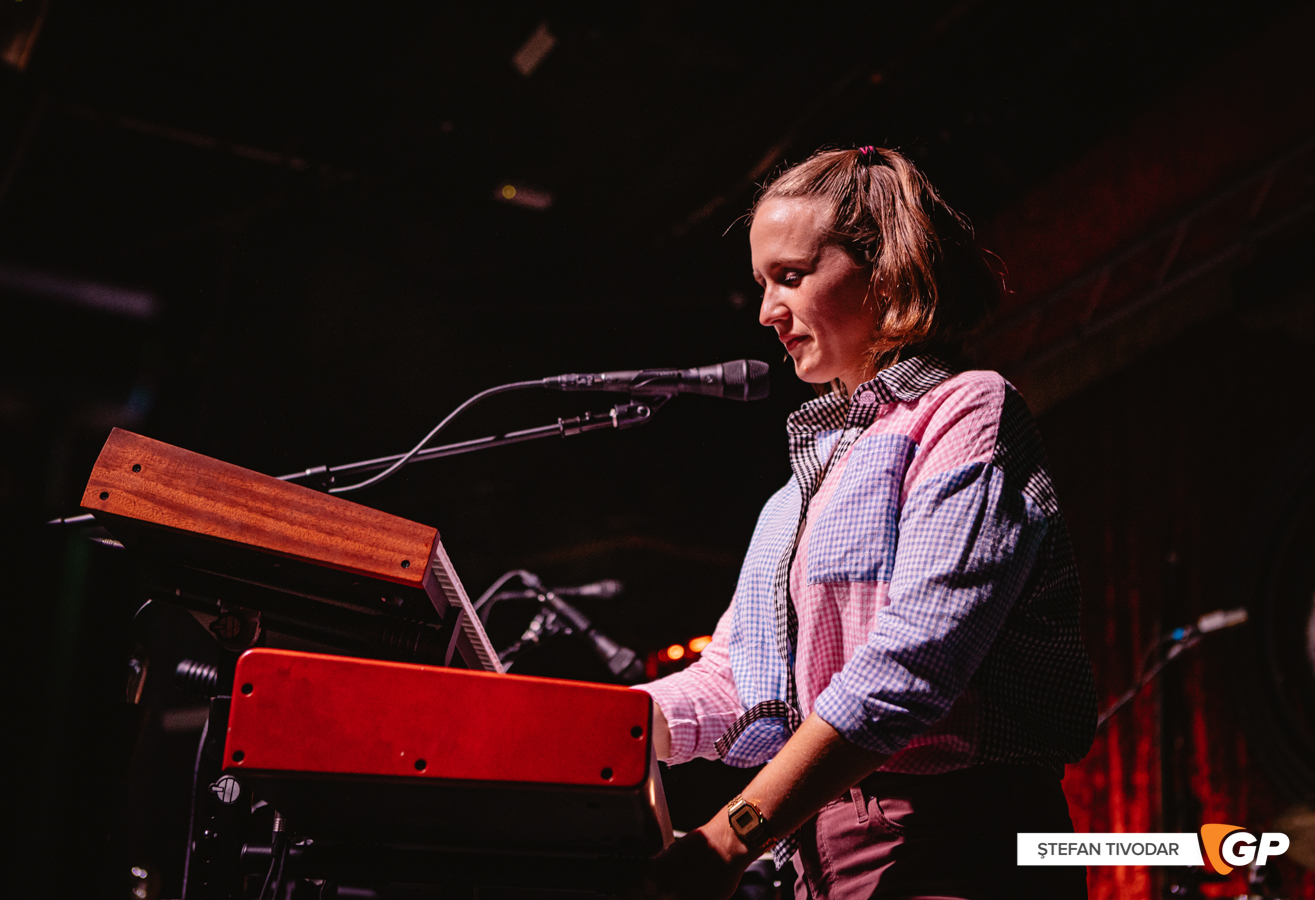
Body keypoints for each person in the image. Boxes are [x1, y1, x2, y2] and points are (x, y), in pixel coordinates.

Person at [634, 146, 1097, 900]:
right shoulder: (796, 492)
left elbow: (908, 668)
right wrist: (579, 724)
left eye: (789, 276)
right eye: (760, 284)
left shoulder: (967, 408)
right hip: (819, 848)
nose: (765, 312)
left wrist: (726, 840)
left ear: (884, 270)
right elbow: (733, 681)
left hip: (954, 843)